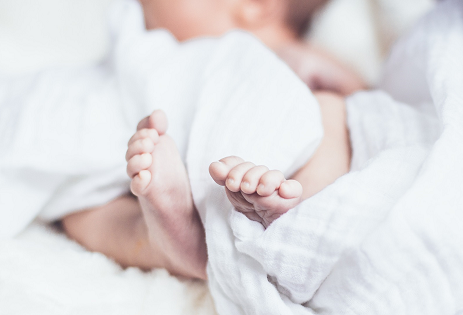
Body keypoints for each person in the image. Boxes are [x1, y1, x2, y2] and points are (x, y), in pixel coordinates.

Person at [62, 0, 354, 280]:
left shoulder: (294, 56)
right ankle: (168, 243)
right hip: (167, 175)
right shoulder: (158, 61)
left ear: (256, 3)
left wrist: (347, 83)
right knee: (76, 202)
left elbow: (370, 110)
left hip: (280, 170)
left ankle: (296, 221)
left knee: (332, 112)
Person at [138, 0, 366, 95]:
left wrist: (351, 87)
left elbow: (377, 116)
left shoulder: (310, 69)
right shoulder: (146, 53)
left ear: (257, 3)